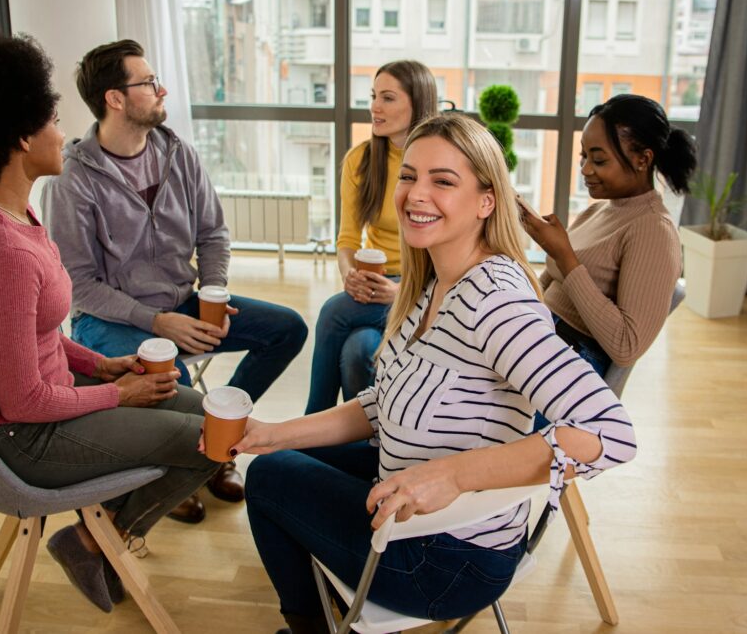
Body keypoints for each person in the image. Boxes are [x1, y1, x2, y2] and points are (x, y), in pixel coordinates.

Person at [234, 114, 637, 634]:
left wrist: (451, 476)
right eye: (410, 175)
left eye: (443, 181)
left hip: (448, 560)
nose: (415, 194)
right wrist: (272, 433)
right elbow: (382, 402)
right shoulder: (438, 281)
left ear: (486, 201)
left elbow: (612, 433)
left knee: (268, 479)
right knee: (279, 456)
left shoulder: (494, 302)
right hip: (403, 497)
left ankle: (309, 625)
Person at [0, 35, 218, 614]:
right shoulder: (0, 252)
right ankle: (90, 538)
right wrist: (119, 391)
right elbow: (23, 398)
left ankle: (101, 534)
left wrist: (101, 364)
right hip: (23, 437)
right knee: (212, 442)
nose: (65, 133)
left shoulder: (5, 208)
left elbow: (33, 335)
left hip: (53, 396)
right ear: (23, 138)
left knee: (204, 415)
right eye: (54, 120)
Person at [42, 39, 308, 523]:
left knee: (287, 328)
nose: (160, 88)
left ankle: (213, 445)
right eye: (147, 82)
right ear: (115, 99)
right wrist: (158, 322)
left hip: (184, 302)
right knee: (173, 379)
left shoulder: (176, 153)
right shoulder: (73, 181)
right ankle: (192, 462)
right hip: (111, 321)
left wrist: (215, 291)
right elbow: (78, 285)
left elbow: (213, 233)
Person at [521, 94, 698, 376]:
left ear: (643, 159)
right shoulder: (598, 211)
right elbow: (551, 286)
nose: (585, 169)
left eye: (599, 160)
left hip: (568, 365)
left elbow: (626, 347)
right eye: (584, 156)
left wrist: (565, 257)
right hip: (541, 338)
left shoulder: (653, 231)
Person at [304, 60, 438, 414]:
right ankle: (362, 450)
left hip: (427, 288)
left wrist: (404, 292)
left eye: (389, 98)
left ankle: (311, 424)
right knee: (359, 349)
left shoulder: (440, 164)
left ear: (418, 103)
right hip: (377, 281)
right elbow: (347, 238)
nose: (375, 107)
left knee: (334, 312)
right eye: (374, 96)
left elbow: (455, 253)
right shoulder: (360, 160)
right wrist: (350, 275)